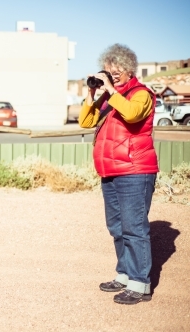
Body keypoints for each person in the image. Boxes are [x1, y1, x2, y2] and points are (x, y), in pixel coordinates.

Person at [78, 43, 159, 305]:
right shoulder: (108, 98)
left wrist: (111, 91)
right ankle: (125, 275)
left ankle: (140, 283)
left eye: (117, 72)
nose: (112, 75)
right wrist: (92, 94)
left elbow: (134, 115)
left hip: (135, 170)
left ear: (129, 70)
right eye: (109, 71)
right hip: (110, 171)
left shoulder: (140, 94)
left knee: (134, 228)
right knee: (116, 227)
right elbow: (86, 121)